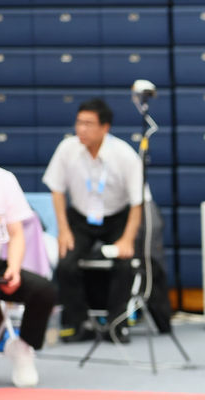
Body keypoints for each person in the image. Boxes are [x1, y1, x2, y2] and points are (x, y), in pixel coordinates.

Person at [42, 98, 143, 343]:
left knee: (124, 265)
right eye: (79, 123)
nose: (81, 129)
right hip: (80, 218)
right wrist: (63, 230)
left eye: (88, 124)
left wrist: (127, 240)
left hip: (117, 217)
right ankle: (78, 323)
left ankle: (116, 324)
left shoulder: (124, 155)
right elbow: (56, 190)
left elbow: (137, 202)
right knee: (66, 264)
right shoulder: (67, 149)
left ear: (105, 127)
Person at [0, 107, 59, 387]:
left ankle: (22, 347)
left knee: (43, 290)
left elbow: (16, 233)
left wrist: (13, 267)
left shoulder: (3, 179)